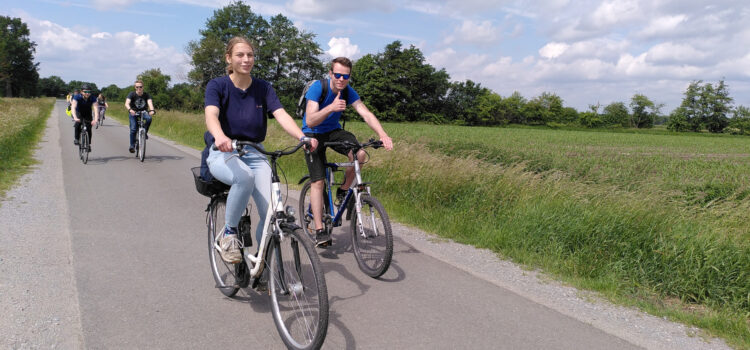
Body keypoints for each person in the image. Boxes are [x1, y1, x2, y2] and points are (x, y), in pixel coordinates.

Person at [205, 36, 318, 264]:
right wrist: (220, 137)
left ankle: (262, 260)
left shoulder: (263, 87)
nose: (246, 59)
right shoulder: (217, 85)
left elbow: (281, 114)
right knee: (244, 177)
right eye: (240, 55)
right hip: (224, 151)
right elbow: (211, 115)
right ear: (229, 58)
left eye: (250, 55)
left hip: (255, 152)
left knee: (273, 212)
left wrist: (302, 136)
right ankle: (229, 234)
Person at [302, 57, 393, 247]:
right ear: (330, 73)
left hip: (333, 131)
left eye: (346, 76)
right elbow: (310, 120)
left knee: (359, 154)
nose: (341, 79)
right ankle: (320, 231)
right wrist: (331, 108)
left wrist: (383, 134)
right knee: (318, 181)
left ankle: (343, 191)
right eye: (338, 75)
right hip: (312, 133)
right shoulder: (318, 88)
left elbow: (365, 113)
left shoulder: (347, 91)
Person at [124, 80, 155, 153]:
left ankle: (145, 133)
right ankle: (132, 146)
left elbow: (150, 103)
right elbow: (127, 103)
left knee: (149, 119)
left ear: (143, 87)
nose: (139, 88)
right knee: (133, 129)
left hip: (143, 112)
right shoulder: (132, 94)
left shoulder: (146, 95)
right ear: (135, 87)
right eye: (137, 87)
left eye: (140, 87)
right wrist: (130, 109)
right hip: (133, 112)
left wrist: (152, 110)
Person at [70, 85, 99, 150]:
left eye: (89, 92)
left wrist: (95, 119)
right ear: (81, 92)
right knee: (78, 124)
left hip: (87, 113)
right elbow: (73, 107)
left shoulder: (93, 98)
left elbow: (96, 109)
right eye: (85, 91)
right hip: (79, 112)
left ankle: (88, 145)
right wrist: (75, 117)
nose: (87, 93)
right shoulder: (77, 97)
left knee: (89, 128)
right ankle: (76, 139)